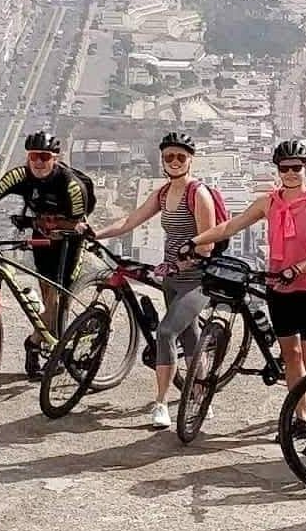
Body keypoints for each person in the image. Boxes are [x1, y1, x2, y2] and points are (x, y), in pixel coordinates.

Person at [186, 139, 306, 458]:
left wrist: (298, 268)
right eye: (285, 169)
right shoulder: (269, 202)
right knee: (291, 356)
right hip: (279, 288)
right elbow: (232, 225)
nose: (292, 173)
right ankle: (302, 419)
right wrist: (196, 241)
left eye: (297, 167)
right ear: (278, 171)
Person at [84, 130, 215, 429]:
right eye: (169, 156)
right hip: (170, 276)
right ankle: (200, 394)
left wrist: (186, 258)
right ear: (162, 160)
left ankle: (161, 403)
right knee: (189, 336)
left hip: (197, 279)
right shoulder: (163, 194)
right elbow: (131, 221)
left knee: (166, 333)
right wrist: (96, 233)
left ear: (191, 160)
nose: (175, 161)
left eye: (181, 156)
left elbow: (208, 242)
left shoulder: (199, 194)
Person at [0, 131, 91, 379]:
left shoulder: (70, 185)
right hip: (41, 238)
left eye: (44, 157)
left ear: (55, 158)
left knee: (58, 299)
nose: (38, 162)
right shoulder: (20, 174)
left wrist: (41, 221)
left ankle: (37, 343)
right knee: (48, 298)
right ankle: (46, 341)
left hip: (68, 241)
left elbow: (78, 224)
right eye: (34, 156)